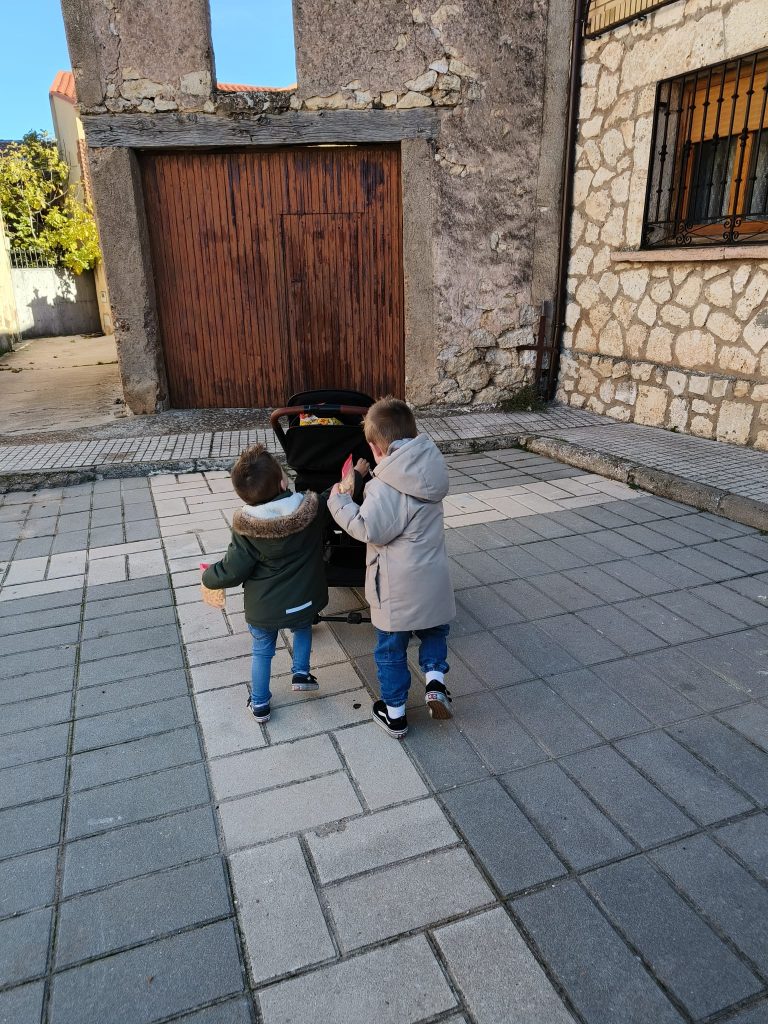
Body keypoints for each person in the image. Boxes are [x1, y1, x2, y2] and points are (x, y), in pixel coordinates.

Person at [328, 396, 455, 738]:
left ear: (374, 446)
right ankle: (434, 682)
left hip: (397, 588)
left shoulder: (384, 488)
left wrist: (338, 499)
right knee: (433, 632)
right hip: (433, 579)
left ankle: (395, 713)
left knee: (391, 649)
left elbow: (369, 530)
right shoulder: (429, 469)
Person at [201, 444, 328, 723]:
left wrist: (209, 575)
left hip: (265, 609)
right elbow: (330, 499)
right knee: (303, 627)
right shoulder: (310, 511)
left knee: (262, 650)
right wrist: (350, 479)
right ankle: (301, 673)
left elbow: (233, 570)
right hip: (305, 599)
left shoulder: (247, 529)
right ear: (283, 482)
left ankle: (259, 704)